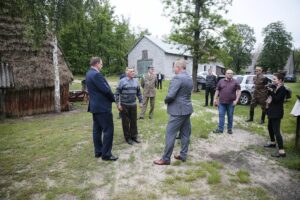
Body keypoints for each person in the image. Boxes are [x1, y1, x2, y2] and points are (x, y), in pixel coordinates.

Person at [154, 59, 193, 165]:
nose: (173, 69)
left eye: (174, 67)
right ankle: (183, 155)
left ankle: (166, 159)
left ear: (178, 67)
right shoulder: (189, 77)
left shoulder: (178, 78)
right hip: (187, 109)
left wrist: (166, 100)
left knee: (170, 134)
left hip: (178, 111)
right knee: (185, 134)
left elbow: (171, 95)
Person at [85, 57, 118, 161]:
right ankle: (106, 154)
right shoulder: (96, 74)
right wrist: (114, 98)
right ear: (97, 64)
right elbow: (106, 90)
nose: (102, 66)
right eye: (101, 64)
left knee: (97, 130)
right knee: (108, 130)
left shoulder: (88, 73)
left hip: (95, 107)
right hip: (102, 107)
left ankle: (98, 151)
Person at [115, 67, 143, 145]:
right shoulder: (122, 82)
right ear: (127, 72)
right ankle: (128, 138)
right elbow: (116, 94)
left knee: (134, 121)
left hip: (133, 105)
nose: (133, 73)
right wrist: (118, 104)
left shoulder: (136, 81)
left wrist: (140, 102)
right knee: (126, 122)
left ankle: (134, 136)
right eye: (131, 71)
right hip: (124, 105)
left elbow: (139, 93)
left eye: (133, 71)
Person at [264, 73, 287, 157]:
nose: (273, 80)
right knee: (270, 127)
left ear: (280, 80)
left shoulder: (282, 89)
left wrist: (271, 92)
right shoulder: (275, 87)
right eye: (273, 79)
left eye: (275, 79)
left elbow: (277, 99)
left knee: (277, 131)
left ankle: (282, 151)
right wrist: (269, 91)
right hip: (271, 111)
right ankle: (273, 142)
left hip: (277, 112)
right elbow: (270, 97)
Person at [213, 69, 241, 134]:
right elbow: (217, 91)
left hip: (231, 103)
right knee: (221, 115)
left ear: (232, 74)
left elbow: (239, 91)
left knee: (230, 116)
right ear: (225, 74)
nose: (230, 74)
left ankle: (229, 129)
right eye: (228, 73)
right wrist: (215, 99)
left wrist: (236, 100)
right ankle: (220, 129)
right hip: (221, 102)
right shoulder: (221, 81)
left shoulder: (235, 82)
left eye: (231, 73)